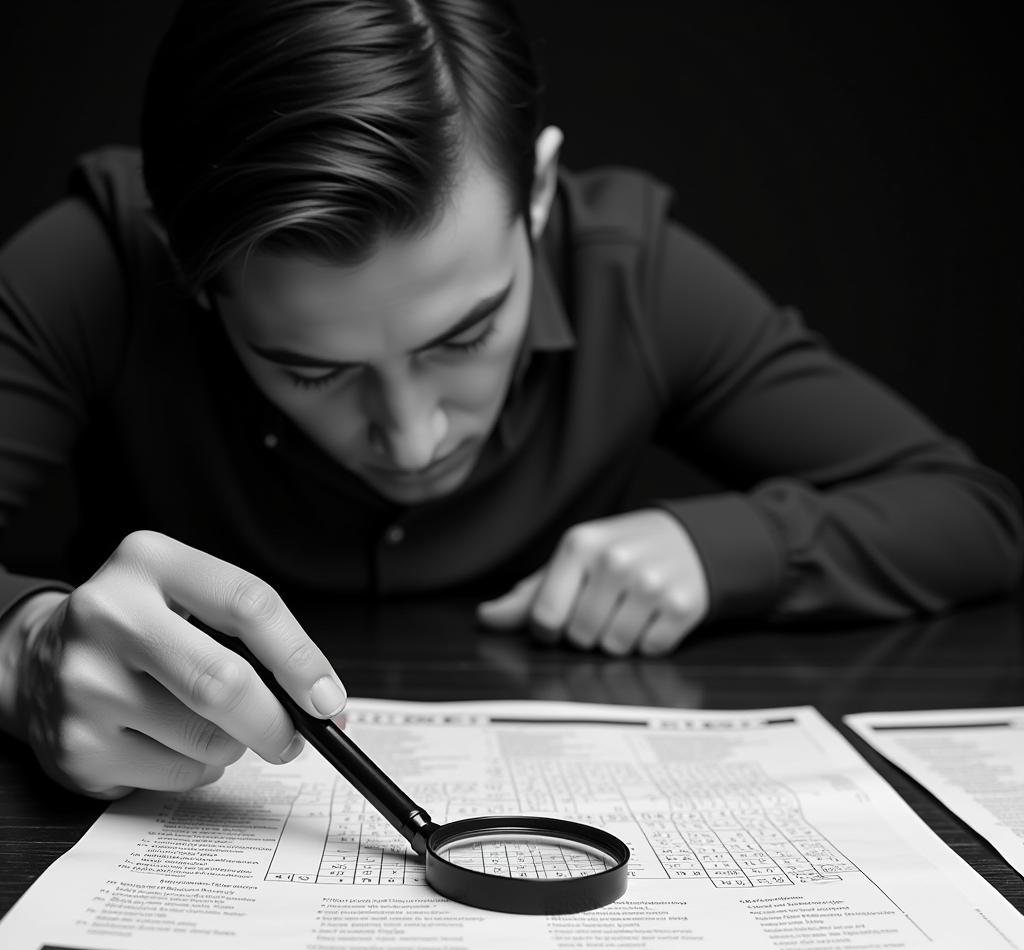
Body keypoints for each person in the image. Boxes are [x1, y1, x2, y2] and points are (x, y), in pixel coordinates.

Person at [0, 0, 1019, 801]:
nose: (413, 437)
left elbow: (972, 509)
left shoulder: (632, 273)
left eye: (466, 334)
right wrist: (25, 648)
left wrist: (723, 547)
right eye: (313, 369)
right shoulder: (95, 266)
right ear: (190, 270)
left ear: (536, 195)